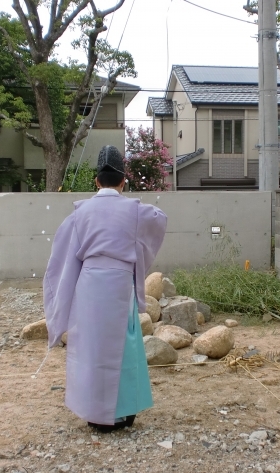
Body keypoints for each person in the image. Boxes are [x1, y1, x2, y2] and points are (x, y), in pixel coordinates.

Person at [43, 145, 167, 432]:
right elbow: (159, 220)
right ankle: (123, 413)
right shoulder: (136, 210)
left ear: (96, 181)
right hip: (120, 282)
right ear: (123, 180)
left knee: (91, 347)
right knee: (124, 348)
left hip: (89, 284)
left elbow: (62, 256)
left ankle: (93, 412)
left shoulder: (80, 212)